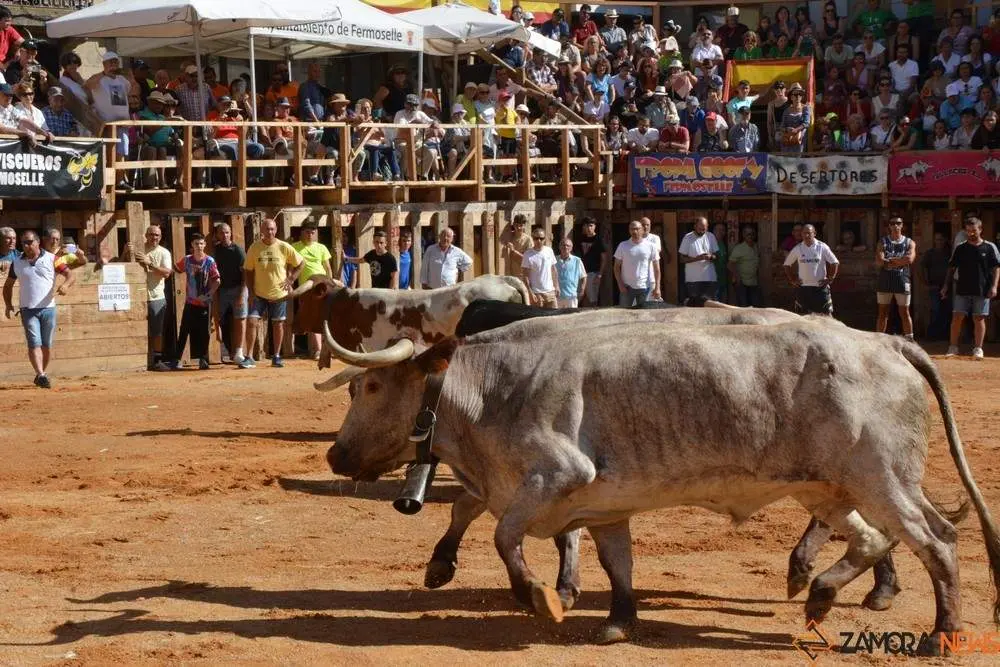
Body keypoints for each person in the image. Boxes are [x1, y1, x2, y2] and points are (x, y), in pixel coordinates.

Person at [241, 218, 304, 369]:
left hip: (279, 294)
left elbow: (301, 263)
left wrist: (291, 279)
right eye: (267, 229)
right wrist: (251, 291)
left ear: (276, 230)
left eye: (272, 229)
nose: (270, 232)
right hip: (259, 293)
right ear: (261, 231)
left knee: (278, 324)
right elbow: (248, 270)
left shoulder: (284, 246)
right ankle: (249, 356)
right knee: (252, 322)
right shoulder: (255, 248)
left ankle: (276, 356)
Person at [942, 217, 1000, 360]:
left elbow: (996, 268)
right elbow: (951, 267)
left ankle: (978, 349)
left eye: (974, 230)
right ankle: (953, 347)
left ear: (980, 229)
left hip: (982, 289)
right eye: (968, 231)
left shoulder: (989, 247)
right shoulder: (961, 248)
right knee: (957, 317)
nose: (971, 233)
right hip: (962, 288)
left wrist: (994, 286)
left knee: (978, 318)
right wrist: (946, 285)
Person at [124, 225, 172, 371]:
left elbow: (167, 273)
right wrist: (125, 253)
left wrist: (149, 263)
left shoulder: (164, 252)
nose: (154, 237)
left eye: (157, 235)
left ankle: (157, 361)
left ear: (160, 237)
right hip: (137, 297)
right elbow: (124, 265)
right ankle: (137, 360)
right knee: (135, 330)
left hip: (156, 297)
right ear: (146, 235)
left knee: (156, 331)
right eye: (151, 234)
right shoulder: (138, 250)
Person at [170, 233, 220, 370]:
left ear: (204, 245)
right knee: (184, 330)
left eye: (201, 243)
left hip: (204, 303)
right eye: (196, 243)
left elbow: (217, 280)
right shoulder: (187, 260)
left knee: (204, 332)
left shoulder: (209, 261)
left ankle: (203, 359)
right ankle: (177, 359)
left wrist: (209, 294)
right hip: (190, 302)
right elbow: (175, 269)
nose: (199, 246)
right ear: (192, 245)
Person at [86, 52, 131, 189]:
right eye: (110, 62)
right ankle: (107, 182)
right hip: (107, 125)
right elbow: (88, 84)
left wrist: (128, 74)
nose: (113, 65)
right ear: (104, 64)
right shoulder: (99, 79)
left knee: (122, 152)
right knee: (108, 154)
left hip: (122, 123)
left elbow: (132, 89)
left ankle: (120, 181)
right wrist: (104, 73)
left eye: (115, 62)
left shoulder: (122, 80)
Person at [291, 220, 333, 357]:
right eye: (307, 232)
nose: (310, 235)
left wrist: (331, 284)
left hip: (322, 285)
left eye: (312, 232)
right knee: (312, 317)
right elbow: (290, 267)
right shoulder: (295, 247)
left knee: (328, 316)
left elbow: (327, 267)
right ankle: (318, 350)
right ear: (302, 232)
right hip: (307, 287)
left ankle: (329, 348)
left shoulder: (321, 247)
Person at [783, 223, 840, 315]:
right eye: (804, 233)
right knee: (802, 318)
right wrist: (792, 279)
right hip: (803, 289)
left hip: (820, 289)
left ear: (814, 233)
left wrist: (830, 278)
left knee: (826, 316)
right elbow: (786, 265)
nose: (806, 235)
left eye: (809, 233)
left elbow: (834, 263)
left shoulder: (822, 247)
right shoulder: (798, 248)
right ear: (801, 235)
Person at [875, 217, 916, 339]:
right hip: (885, 280)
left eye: (898, 223)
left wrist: (890, 261)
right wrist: (900, 261)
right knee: (883, 312)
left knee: (904, 312)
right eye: (892, 223)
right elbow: (879, 261)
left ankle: (910, 339)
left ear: (902, 225)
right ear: (889, 226)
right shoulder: (883, 241)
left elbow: (909, 259)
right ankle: (879, 340)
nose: (895, 226)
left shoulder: (909, 242)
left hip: (902, 280)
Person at [212, 222, 247, 364]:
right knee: (216, 319)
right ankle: (220, 350)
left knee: (240, 318)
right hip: (222, 290)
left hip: (238, 288)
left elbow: (245, 274)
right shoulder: (216, 250)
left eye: (227, 232)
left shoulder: (238, 250)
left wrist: (242, 293)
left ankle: (239, 351)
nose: (225, 235)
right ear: (217, 235)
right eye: (221, 233)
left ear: (231, 233)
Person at [614, 220, 659, 307]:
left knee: (644, 315)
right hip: (627, 287)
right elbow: (616, 267)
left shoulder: (651, 246)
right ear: (629, 230)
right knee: (624, 314)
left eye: (637, 229)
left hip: (644, 287)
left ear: (642, 230)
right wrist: (620, 285)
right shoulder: (623, 246)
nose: (634, 231)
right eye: (632, 229)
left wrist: (657, 287)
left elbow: (657, 268)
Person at [920, 231, 952, 340]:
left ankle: (945, 335)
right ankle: (932, 335)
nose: (939, 242)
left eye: (941, 239)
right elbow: (921, 268)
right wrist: (924, 283)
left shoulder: (949, 253)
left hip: (948, 287)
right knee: (936, 310)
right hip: (934, 286)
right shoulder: (930, 253)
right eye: (937, 239)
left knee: (948, 310)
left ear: (945, 240)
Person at [678, 217, 719, 301]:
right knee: (696, 306)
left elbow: (717, 256)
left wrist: (710, 257)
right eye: (700, 228)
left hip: (710, 278)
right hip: (693, 280)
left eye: (704, 228)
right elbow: (681, 259)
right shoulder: (688, 237)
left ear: (707, 226)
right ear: (695, 226)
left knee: (711, 306)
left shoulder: (710, 236)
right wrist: (698, 258)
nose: (702, 230)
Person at [521, 226, 558, 308]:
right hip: (537, 294)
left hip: (550, 292)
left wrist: (557, 286)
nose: (539, 240)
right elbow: (525, 276)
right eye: (536, 238)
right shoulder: (528, 254)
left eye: (541, 238)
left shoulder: (549, 251)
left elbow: (553, 270)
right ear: (532, 238)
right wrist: (530, 293)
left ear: (544, 239)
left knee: (554, 318)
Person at [574, 216, 607, 306]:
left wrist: (600, 275)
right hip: (580, 273)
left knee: (592, 299)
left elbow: (604, 258)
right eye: (586, 226)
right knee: (579, 296)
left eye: (591, 226)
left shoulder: (599, 240)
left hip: (593, 273)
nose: (589, 228)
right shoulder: (580, 238)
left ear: (595, 226)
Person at [728, 226, 761, 307]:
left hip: (753, 282)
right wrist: (737, 277)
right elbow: (729, 264)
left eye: (752, 234)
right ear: (743, 235)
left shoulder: (756, 246)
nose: (750, 236)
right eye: (747, 234)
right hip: (742, 283)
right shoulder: (739, 248)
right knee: (744, 307)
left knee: (755, 306)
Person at [555, 237, 586, 308]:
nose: (565, 247)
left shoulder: (577, 261)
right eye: (563, 245)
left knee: (571, 317)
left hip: (571, 296)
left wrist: (582, 289)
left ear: (571, 248)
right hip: (557, 296)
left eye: (567, 245)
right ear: (559, 247)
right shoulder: (554, 260)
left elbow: (584, 276)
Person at [640, 217, 663, 300]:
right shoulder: (633, 239)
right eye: (643, 225)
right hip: (638, 280)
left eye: (647, 225)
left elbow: (655, 253)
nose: (645, 227)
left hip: (651, 277)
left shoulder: (655, 238)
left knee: (652, 303)